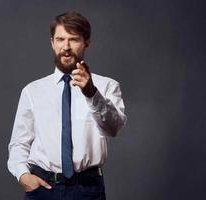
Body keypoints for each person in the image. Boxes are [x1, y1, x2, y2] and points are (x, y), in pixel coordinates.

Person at [7, 11, 127, 200]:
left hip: (88, 190)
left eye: (74, 39)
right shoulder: (32, 91)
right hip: (42, 189)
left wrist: (91, 93)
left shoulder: (106, 86)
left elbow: (113, 128)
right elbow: (19, 143)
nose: (66, 47)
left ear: (87, 42)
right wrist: (23, 175)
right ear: (52, 43)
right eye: (60, 39)